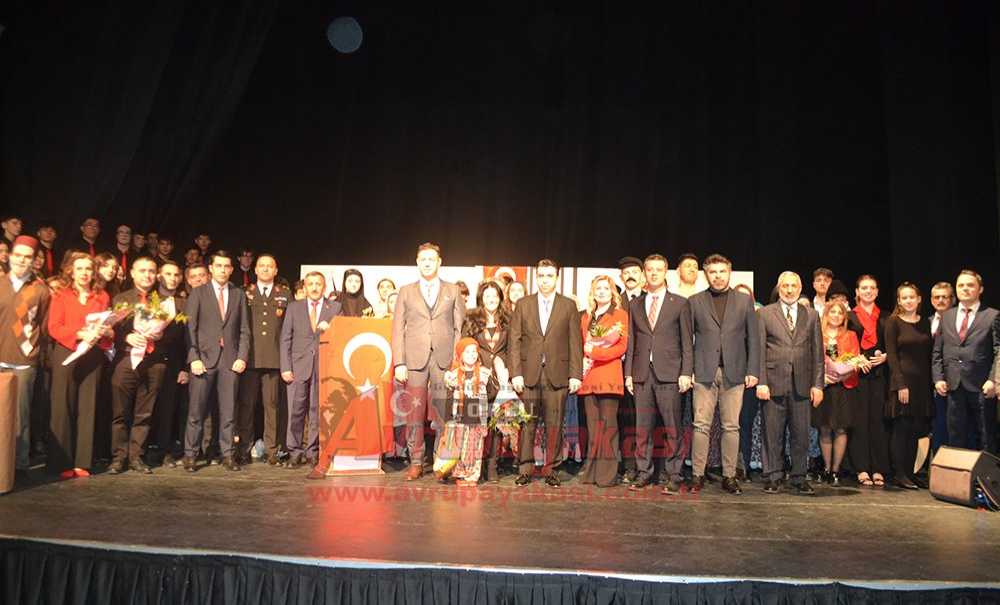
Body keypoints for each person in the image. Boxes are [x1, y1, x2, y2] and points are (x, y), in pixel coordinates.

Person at [391, 243, 466, 481]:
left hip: (444, 360)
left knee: (443, 412)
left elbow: (458, 328)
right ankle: (416, 461)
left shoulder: (452, 290)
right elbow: (397, 329)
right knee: (414, 413)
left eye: (431, 259)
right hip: (414, 360)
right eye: (422, 259)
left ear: (439, 262)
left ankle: (442, 462)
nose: (426, 263)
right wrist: (399, 362)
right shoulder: (405, 291)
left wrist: (456, 362)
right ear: (416, 262)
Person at [688, 254, 759, 494]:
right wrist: (688, 371)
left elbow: (754, 339)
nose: (717, 276)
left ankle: (729, 475)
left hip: (735, 371)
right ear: (706, 274)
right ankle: (697, 474)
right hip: (704, 372)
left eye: (722, 272)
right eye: (713, 272)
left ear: (729, 273)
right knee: (700, 426)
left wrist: (753, 369)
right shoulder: (695, 301)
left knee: (731, 426)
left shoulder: (743, 301)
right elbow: (688, 341)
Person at [108, 257, 186, 474]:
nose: (147, 275)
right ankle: (118, 457)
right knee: (120, 412)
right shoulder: (121, 298)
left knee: (145, 413)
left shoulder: (165, 302)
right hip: (125, 360)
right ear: (132, 273)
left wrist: (160, 334)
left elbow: (176, 335)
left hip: (154, 362)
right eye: (142, 271)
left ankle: (137, 456)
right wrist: (125, 339)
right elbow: (110, 330)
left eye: (151, 271)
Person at [509, 259, 583, 487]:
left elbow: (575, 342)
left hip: (557, 374)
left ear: (556, 278)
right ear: (536, 277)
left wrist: (575, 375)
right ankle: (525, 469)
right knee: (527, 424)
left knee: (554, 424)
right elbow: (515, 341)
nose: (545, 280)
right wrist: (516, 373)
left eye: (549, 275)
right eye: (541, 275)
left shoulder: (568, 305)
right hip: (529, 374)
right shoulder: (523, 304)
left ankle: (552, 469)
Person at [623, 255, 692, 493]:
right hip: (642, 373)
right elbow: (632, 341)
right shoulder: (634, 304)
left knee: (673, 427)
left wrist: (686, 372)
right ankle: (644, 472)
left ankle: (674, 474)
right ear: (644, 273)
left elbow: (687, 342)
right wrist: (629, 374)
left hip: (670, 374)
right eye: (649, 269)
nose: (653, 273)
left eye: (658, 269)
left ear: (666, 272)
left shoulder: (680, 303)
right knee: (643, 428)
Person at [182, 250, 251, 472]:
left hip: (229, 361)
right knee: (196, 411)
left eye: (226, 266)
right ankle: (191, 455)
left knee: (229, 411)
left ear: (232, 269)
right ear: (210, 268)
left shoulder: (238, 294)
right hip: (203, 360)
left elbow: (244, 331)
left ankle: (228, 455)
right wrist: (193, 358)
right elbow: (189, 329)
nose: (223, 270)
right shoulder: (198, 293)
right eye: (218, 266)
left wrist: (242, 356)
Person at [756, 272, 824, 495]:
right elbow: (758, 351)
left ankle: (798, 477)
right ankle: (773, 476)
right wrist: (761, 382)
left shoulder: (811, 315)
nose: (789, 290)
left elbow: (817, 353)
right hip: (773, 383)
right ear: (778, 287)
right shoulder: (765, 314)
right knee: (772, 434)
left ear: (800, 287)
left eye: (793, 285)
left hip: (803, 385)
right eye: (785, 285)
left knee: (801, 435)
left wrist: (818, 385)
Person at [47, 251, 113, 479]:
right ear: (71, 271)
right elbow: (53, 327)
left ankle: (82, 462)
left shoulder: (102, 296)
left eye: (88, 269)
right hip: (67, 352)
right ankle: (62, 462)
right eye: (80, 269)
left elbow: (107, 329)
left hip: (92, 355)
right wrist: (79, 333)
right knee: (62, 407)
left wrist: (106, 332)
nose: (84, 273)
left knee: (88, 406)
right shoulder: (61, 294)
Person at [0, 236, 52, 483]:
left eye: (27, 257)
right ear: (9, 256)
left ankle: (18, 466)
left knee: (20, 417)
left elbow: (43, 324)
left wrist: (34, 354)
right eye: (18, 255)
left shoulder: (40, 290)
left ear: (34, 261)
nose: (22, 260)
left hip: (23, 362)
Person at [932, 270, 999, 454]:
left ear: (980, 289)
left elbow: (998, 351)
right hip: (953, 385)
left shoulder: (992, 315)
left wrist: (993, 380)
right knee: (956, 435)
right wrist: (938, 378)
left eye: (970, 285)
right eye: (961, 285)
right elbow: (937, 351)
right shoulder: (947, 316)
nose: (965, 289)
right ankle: (959, 480)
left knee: (986, 435)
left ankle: (986, 481)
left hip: (981, 385)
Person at [280, 272, 340, 469]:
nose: (314, 288)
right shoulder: (294, 307)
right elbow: (285, 338)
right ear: (304, 287)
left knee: (316, 411)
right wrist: (286, 367)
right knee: (295, 411)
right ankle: (294, 451)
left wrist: (330, 329)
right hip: (298, 367)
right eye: (310, 284)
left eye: (318, 284)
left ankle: (313, 451)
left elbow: (341, 338)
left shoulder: (335, 308)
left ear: (324, 287)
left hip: (323, 368)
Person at [576, 274, 629, 488]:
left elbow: (620, 347)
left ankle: (606, 475)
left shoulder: (620, 315)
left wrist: (594, 351)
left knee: (608, 427)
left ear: (612, 293)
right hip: (588, 378)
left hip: (608, 377)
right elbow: (580, 344)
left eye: (605, 289)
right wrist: (585, 353)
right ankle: (590, 472)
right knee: (592, 428)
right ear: (592, 292)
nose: (601, 292)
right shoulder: (585, 317)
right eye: (598, 288)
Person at [237, 253, 290, 465]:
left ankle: (271, 449)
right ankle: (244, 447)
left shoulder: (284, 294)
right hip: (249, 358)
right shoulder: (244, 292)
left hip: (274, 358)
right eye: (262, 266)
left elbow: (288, 329)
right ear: (255, 270)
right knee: (247, 405)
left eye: (270, 266)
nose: (266, 269)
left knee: (272, 406)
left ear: (276, 271)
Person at [885, 282, 933, 489]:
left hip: (922, 384)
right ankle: (899, 474)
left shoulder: (925, 323)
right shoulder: (893, 322)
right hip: (902, 382)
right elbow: (892, 356)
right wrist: (900, 384)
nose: (908, 301)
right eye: (904, 298)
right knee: (902, 428)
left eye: (911, 297)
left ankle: (911, 473)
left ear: (919, 299)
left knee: (915, 428)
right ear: (899, 301)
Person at [813, 300, 862, 487]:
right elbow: (813, 359)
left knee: (841, 428)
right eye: (832, 311)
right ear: (826, 314)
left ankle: (835, 470)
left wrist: (841, 376)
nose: (836, 315)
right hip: (824, 387)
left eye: (839, 312)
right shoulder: (818, 335)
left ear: (844, 317)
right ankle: (826, 468)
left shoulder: (850, 335)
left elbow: (855, 360)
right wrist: (824, 376)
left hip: (844, 388)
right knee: (824, 428)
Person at [850, 275, 890, 488]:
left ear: (877, 291)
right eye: (863, 288)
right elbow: (841, 345)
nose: (868, 291)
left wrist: (887, 357)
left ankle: (878, 468)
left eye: (872, 288)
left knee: (878, 422)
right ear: (857, 291)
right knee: (859, 423)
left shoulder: (886, 316)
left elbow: (894, 346)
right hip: (857, 375)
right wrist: (857, 359)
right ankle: (862, 468)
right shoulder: (849, 316)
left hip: (880, 375)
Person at [436, 338, 492, 485]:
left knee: (475, 447)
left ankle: (473, 475)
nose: (472, 354)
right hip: (460, 416)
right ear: (460, 355)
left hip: (477, 416)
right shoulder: (453, 375)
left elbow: (488, 397)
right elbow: (449, 398)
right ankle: (460, 474)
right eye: (467, 352)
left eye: (474, 351)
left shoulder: (484, 374)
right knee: (460, 446)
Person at [149, 261, 189, 467]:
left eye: (176, 274)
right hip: (149, 360)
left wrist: (184, 367)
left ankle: (164, 451)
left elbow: (187, 340)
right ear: (159, 276)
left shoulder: (184, 304)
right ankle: (140, 450)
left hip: (174, 363)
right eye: (168, 274)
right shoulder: (149, 300)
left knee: (167, 409)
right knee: (145, 409)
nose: (172, 278)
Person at [617, 255, 645, 482]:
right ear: (621, 277)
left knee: (644, 421)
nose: (630, 276)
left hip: (643, 371)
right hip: (616, 371)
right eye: (626, 273)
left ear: (643, 276)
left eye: (635, 272)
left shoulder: (651, 300)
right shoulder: (614, 302)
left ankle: (648, 465)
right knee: (623, 421)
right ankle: (627, 466)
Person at [928, 282, 955, 453]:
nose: (940, 300)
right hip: (929, 383)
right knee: (935, 426)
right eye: (937, 297)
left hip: (952, 382)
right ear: (931, 300)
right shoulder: (927, 321)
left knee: (952, 426)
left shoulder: (958, 323)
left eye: (945, 297)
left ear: (952, 299)